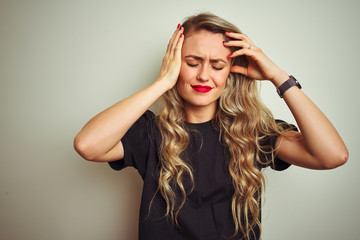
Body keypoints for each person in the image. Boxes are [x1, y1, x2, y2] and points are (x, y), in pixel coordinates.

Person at [74, 13, 348, 240]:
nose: (203, 75)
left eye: (217, 65)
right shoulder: (150, 132)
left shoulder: (253, 133)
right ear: (175, 64)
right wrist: (161, 82)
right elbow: (87, 145)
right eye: (192, 63)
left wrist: (278, 76)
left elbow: (333, 155)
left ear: (231, 71)